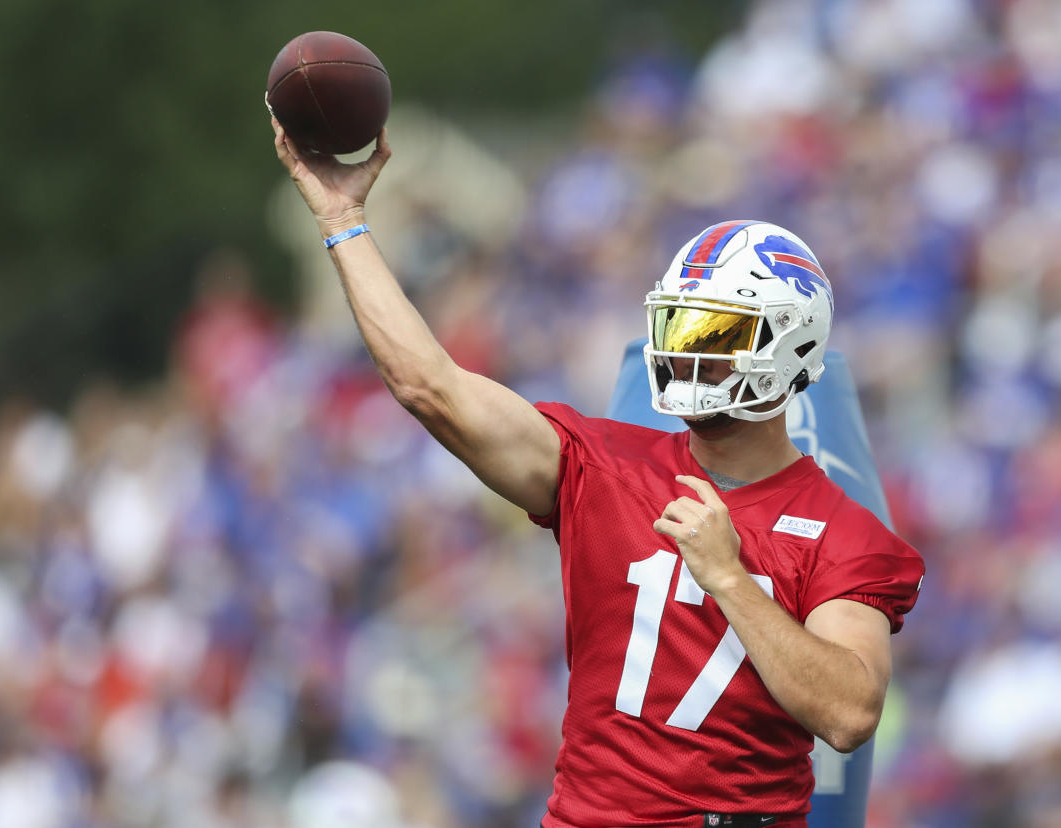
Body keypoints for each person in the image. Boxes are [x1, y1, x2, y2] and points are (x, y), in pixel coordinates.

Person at [272, 120, 924, 828]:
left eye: (714, 338)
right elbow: (431, 388)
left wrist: (731, 579)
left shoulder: (846, 533)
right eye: (679, 331)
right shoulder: (602, 463)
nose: (687, 359)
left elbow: (850, 713)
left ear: (789, 345)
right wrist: (343, 221)